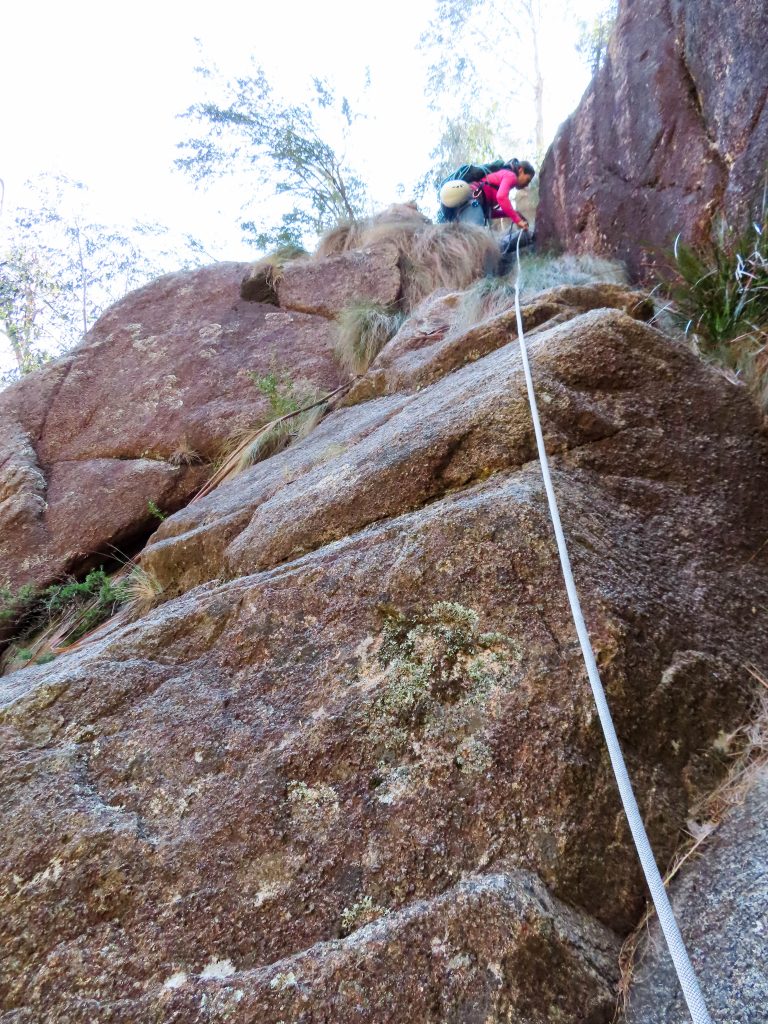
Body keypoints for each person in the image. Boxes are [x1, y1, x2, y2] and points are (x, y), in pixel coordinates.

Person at [438, 159, 536, 229]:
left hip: (467, 204)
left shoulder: (501, 178)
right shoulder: (511, 176)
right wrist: (517, 219)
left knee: (469, 240)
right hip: (472, 201)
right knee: (476, 239)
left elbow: (488, 212)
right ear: (521, 170)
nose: (526, 185)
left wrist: (511, 214)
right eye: (527, 180)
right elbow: (501, 197)